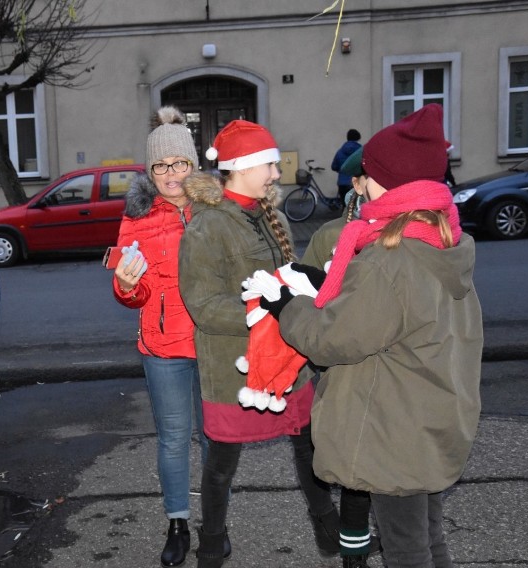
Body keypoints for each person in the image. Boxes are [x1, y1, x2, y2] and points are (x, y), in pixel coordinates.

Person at [268, 104, 483, 568]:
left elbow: (332, 338)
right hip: (430, 419)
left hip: (395, 432)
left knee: (406, 548)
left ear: (391, 183)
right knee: (427, 537)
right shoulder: (445, 242)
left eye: (367, 174)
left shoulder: (391, 260)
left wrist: (287, 306)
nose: (359, 183)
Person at [178, 119, 338, 568]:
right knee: (221, 462)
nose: (275, 172)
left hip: (289, 363)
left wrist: (307, 287)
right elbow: (204, 306)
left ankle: (330, 531)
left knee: (309, 447)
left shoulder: (275, 216)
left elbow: (290, 280)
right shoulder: (206, 227)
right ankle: (211, 542)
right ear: (241, 167)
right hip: (235, 370)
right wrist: (266, 308)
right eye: (268, 163)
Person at [112, 105, 208, 567]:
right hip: (164, 345)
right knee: (173, 438)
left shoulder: (216, 209)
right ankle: (177, 524)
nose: (172, 174)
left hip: (214, 342)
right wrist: (128, 286)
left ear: (193, 165)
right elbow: (131, 287)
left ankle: (217, 522)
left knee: (216, 437)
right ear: (150, 172)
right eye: (162, 166)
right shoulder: (137, 218)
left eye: (180, 163)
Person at [300, 146, 380, 568]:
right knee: (353, 470)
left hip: (387, 368)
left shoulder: (400, 230)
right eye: (372, 179)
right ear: (358, 184)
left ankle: (382, 535)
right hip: (341, 367)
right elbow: (305, 291)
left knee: (384, 464)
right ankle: (354, 556)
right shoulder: (331, 235)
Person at [331, 129, 363, 201]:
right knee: (357, 208)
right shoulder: (360, 151)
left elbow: (334, 166)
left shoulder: (340, 151)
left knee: (345, 207)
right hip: (356, 184)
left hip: (342, 183)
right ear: (358, 138)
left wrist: (342, 170)